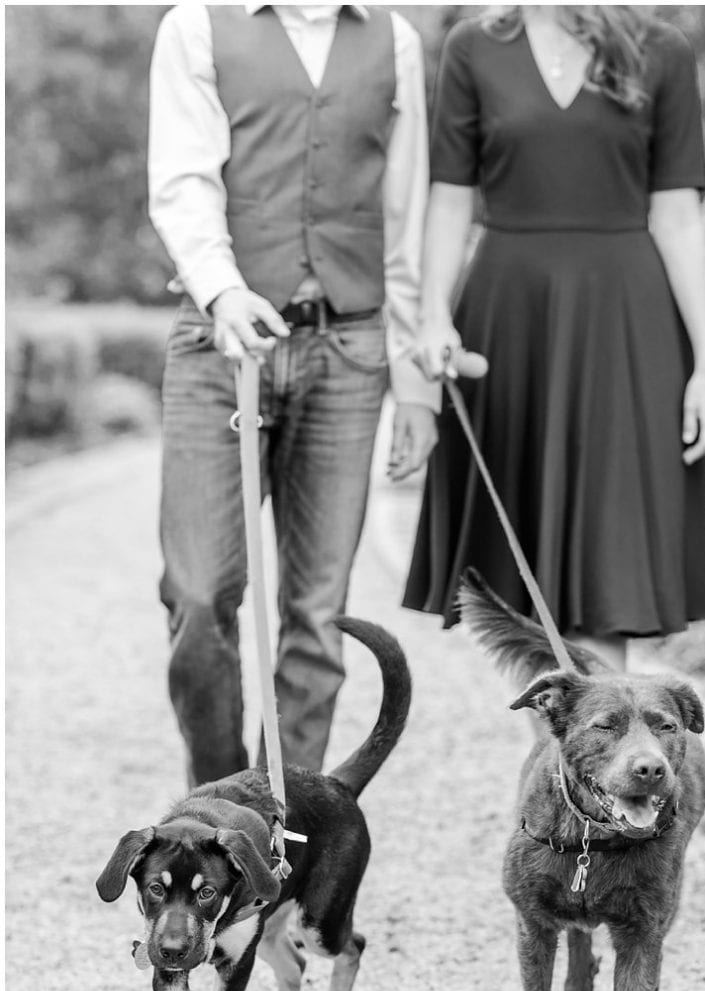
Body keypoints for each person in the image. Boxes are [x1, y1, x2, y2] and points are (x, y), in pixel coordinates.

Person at [148, 2, 439, 786]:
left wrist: (414, 383)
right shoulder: (198, 26)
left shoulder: (396, 40)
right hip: (221, 343)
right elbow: (182, 182)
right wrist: (221, 288)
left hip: (348, 345)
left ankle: (287, 816)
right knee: (201, 594)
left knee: (319, 610)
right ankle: (218, 798)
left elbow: (404, 222)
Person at [394, 4, 705, 672]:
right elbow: (451, 198)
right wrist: (433, 316)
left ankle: (592, 768)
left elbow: (679, 216)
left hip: (628, 322)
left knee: (610, 569)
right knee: (521, 580)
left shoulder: (662, 51)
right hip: (509, 315)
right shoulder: (474, 48)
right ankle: (557, 768)